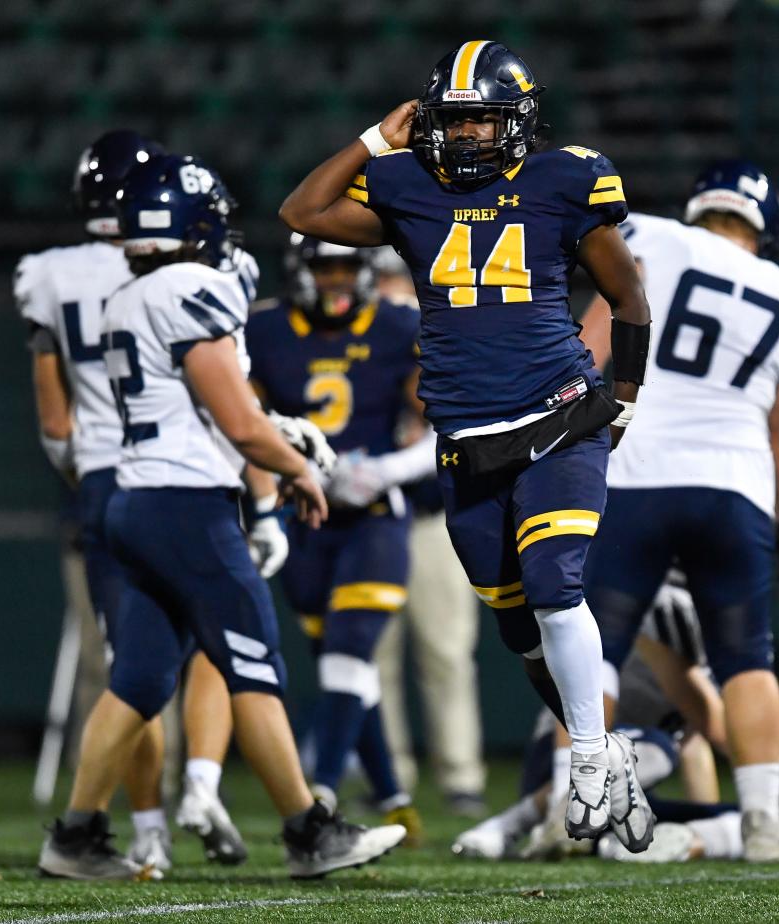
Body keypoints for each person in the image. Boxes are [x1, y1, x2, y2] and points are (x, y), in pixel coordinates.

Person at [279, 40, 654, 851]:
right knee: (520, 635)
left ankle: (587, 756)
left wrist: (620, 401)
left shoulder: (565, 179)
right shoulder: (407, 184)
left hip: (556, 420)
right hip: (466, 440)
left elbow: (627, 297)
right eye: (455, 121)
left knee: (557, 587)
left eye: (483, 119)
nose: (469, 136)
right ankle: (610, 747)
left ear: (517, 121)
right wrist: (375, 142)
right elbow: (302, 212)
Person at [37, 153, 405, 880]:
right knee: (253, 664)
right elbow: (234, 420)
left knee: (139, 676)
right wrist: (295, 467)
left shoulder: (129, 295)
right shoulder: (194, 288)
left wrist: (275, 433)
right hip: (185, 504)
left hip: (128, 500)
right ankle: (311, 833)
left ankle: (74, 835)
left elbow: (209, 407)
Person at [579, 160, 779, 861]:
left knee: (595, 647)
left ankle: (584, 806)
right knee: (747, 659)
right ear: (767, 229)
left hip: (640, 469)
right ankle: (763, 823)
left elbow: (587, 353)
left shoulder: (651, 238)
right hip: (739, 485)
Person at [453, 573, 779, 862]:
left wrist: (705, 808)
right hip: (567, 764)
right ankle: (511, 824)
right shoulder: (659, 608)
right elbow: (714, 726)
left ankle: (676, 842)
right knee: (654, 746)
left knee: (733, 818)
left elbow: (696, 742)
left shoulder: (696, 615)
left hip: (625, 781)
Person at [246, 235, 429, 843]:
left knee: (351, 647)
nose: (337, 279)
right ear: (302, 271)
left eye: (348, 265)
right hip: (304, 516)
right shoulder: (266, 329)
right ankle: (393, 794)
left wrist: (387, 470)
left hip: (374, 509)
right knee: (341, 665)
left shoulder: (401, 324)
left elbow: (452, 423)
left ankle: (319, 791)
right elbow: (240, 420)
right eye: (325, 266)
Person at [372, 246, 487, 815]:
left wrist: (387, 467)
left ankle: (461, 774)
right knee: (375, 656)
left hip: (430, 513)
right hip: (371, 522)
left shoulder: (448, 334)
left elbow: (447, 426)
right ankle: (389, 777)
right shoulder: (359, 345)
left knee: (446, 652)